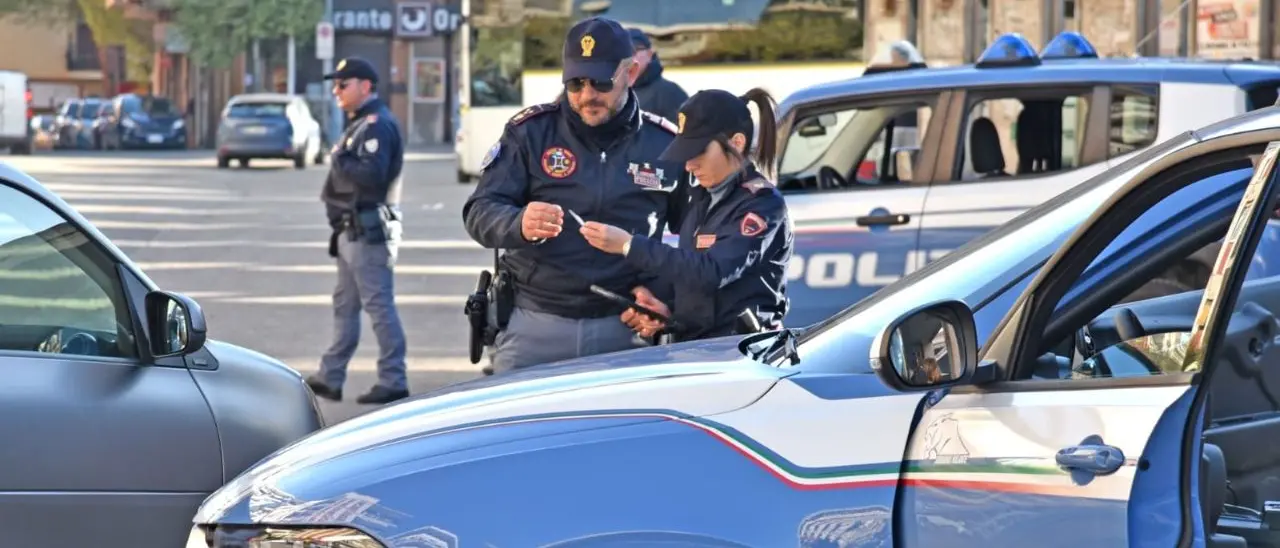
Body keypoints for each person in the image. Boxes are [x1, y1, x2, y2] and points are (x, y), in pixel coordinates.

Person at [462, 16, 690, 374]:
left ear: (629, 74)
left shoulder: (664, 144)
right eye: (575, 83)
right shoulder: (530, 134)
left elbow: (693, 235)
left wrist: (663, 294)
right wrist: (518, 222)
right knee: (519, 429)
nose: (586, 96)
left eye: (600, 83)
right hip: (535, 321)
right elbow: (479, 212)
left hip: (626, 328)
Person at [580, 87, 793, 342]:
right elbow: (689, 273)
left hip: (742, 352)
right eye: (686, 154)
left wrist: (629, 245)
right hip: (701, 348)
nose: (689, 165)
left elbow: (712, 272)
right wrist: (662, 305)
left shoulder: (762, 205)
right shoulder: (702, 196)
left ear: (737, 143)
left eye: (699, 152)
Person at [305, 56, 410, 405]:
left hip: (367, 231)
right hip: (351, 232)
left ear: (365, 86)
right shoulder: (360, 123)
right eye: (335, 84)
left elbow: (371, 175)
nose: (336, 90)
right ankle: (330, 376)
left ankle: (394, 378)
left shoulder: (376, 125)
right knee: (345, 306)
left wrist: (340, 158)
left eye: (343, 84)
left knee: (379, 306)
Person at [626, 28, 688, 124]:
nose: (628, 57)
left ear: (650, 54)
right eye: (623, 52)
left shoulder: (670, 93)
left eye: (633, 51)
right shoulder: (610, 91)